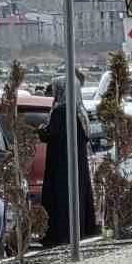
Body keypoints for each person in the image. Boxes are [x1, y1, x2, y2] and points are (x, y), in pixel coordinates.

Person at [38, 74, 97, 247]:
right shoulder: (80, 111)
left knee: (62, 202)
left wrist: (41, 131)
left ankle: (61, 236)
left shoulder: (60, 112)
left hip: (61, 167)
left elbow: (52, 135)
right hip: (78, 166)